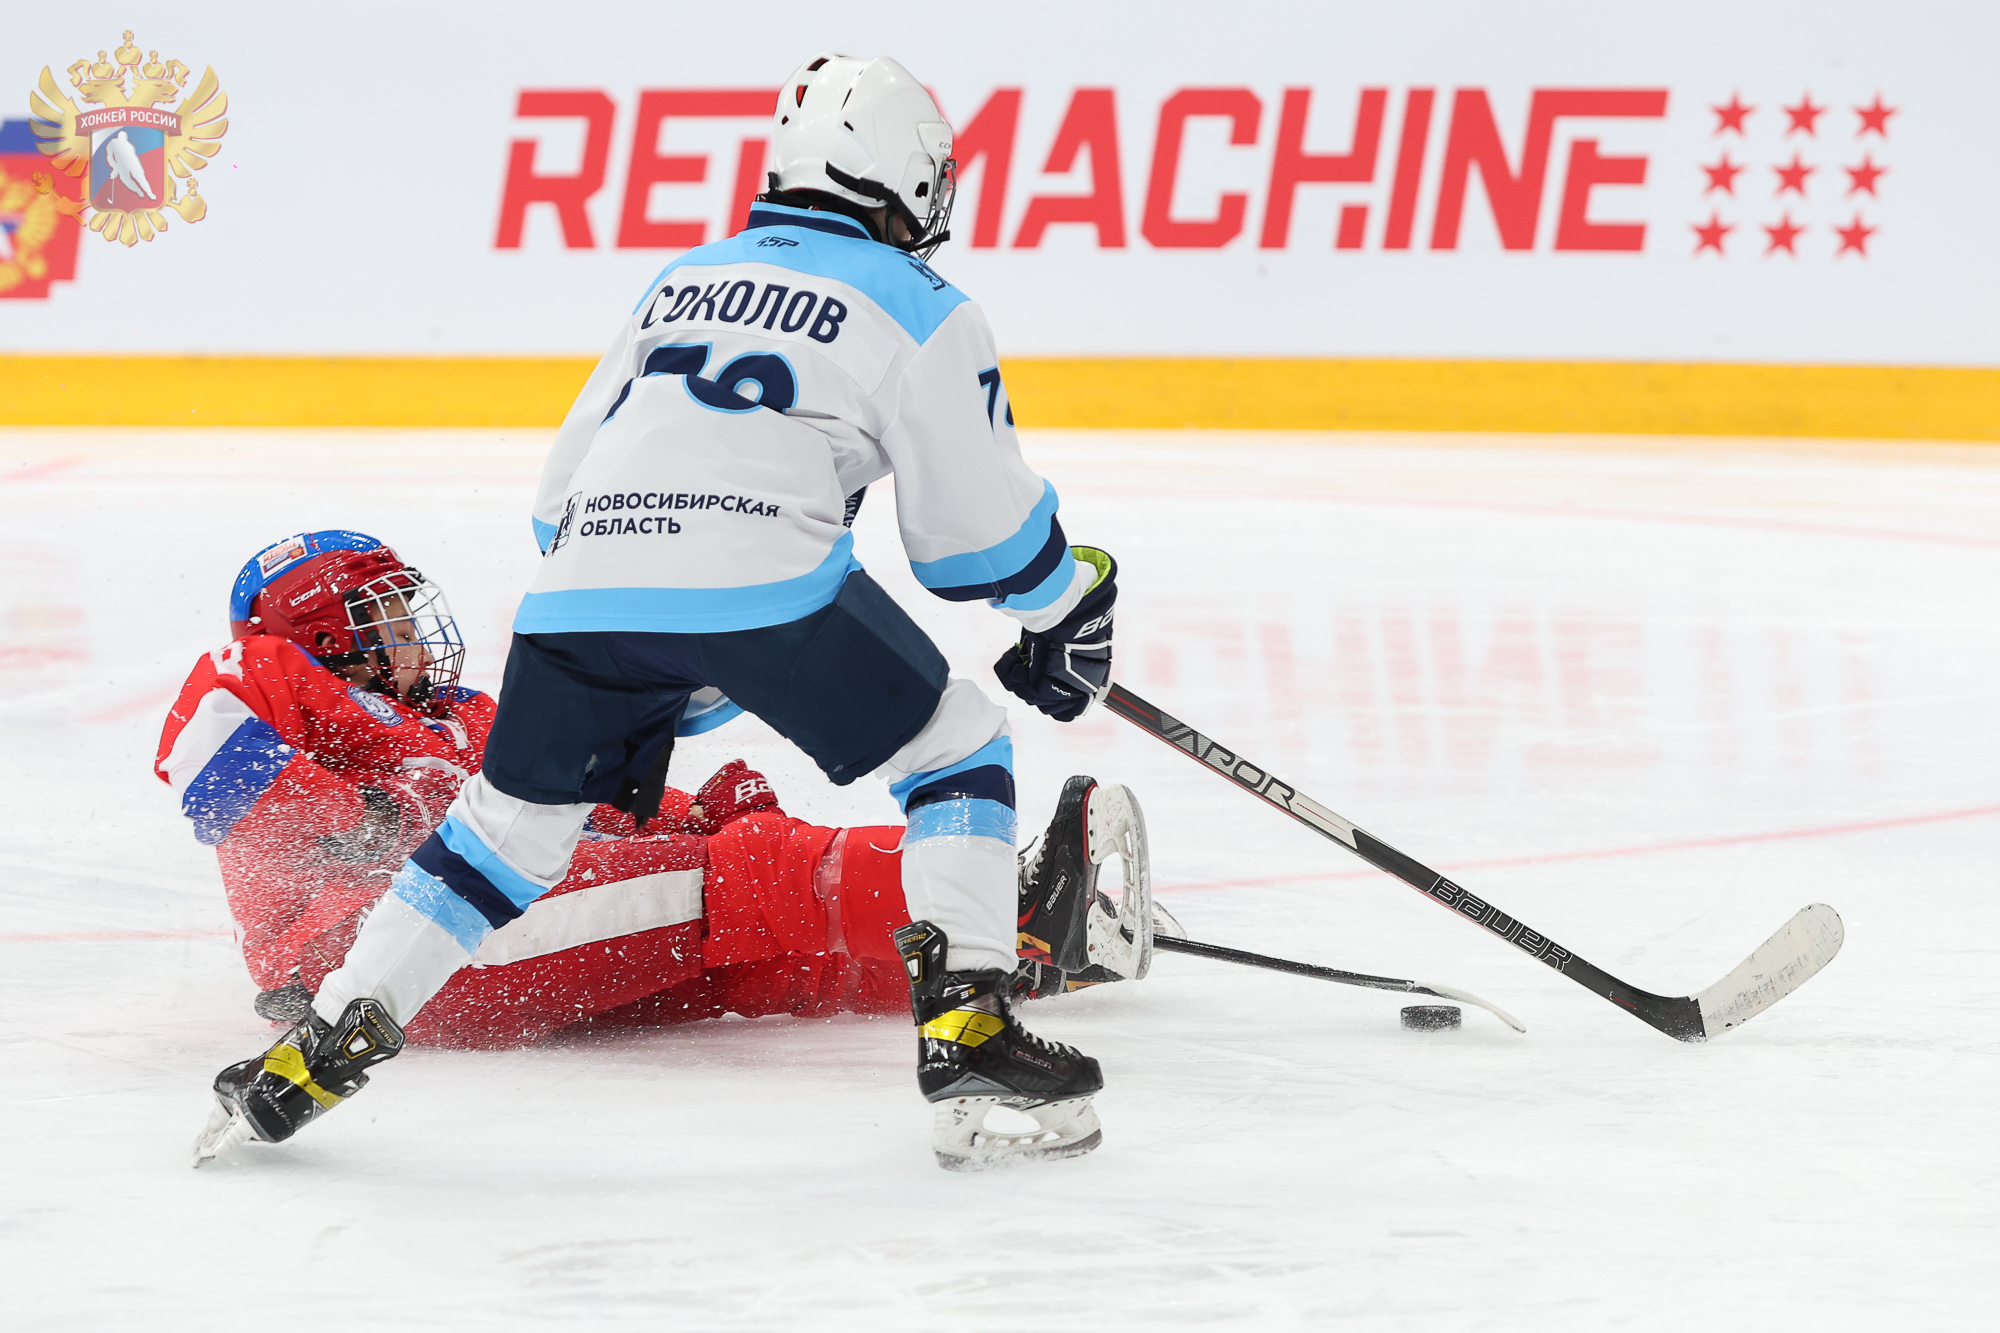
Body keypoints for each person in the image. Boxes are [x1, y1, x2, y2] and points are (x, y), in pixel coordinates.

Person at [198, 53, 1129, 1172]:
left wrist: (672, 650)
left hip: (580, 589)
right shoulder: (923, 303)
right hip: (764, 582)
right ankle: (969, 1028)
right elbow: (975, 545)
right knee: (957, 748)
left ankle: (312, 1053)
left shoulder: (682, 279)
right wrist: (1069, 603)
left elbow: (558, 503)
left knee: (500, 837)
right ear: (907, 175)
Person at [160, 530, 1157, 1055]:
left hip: (480, 939)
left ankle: (1018, 952)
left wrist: (686, 814)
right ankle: (999, 903)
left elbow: (572, 804)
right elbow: (202, 752)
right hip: (378, 955)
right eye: (384, 617)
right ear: (325, 634)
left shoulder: (458, 717)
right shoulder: (273, 673)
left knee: (759, 953)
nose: (414, 634)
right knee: (752, 879)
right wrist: (358, 816)